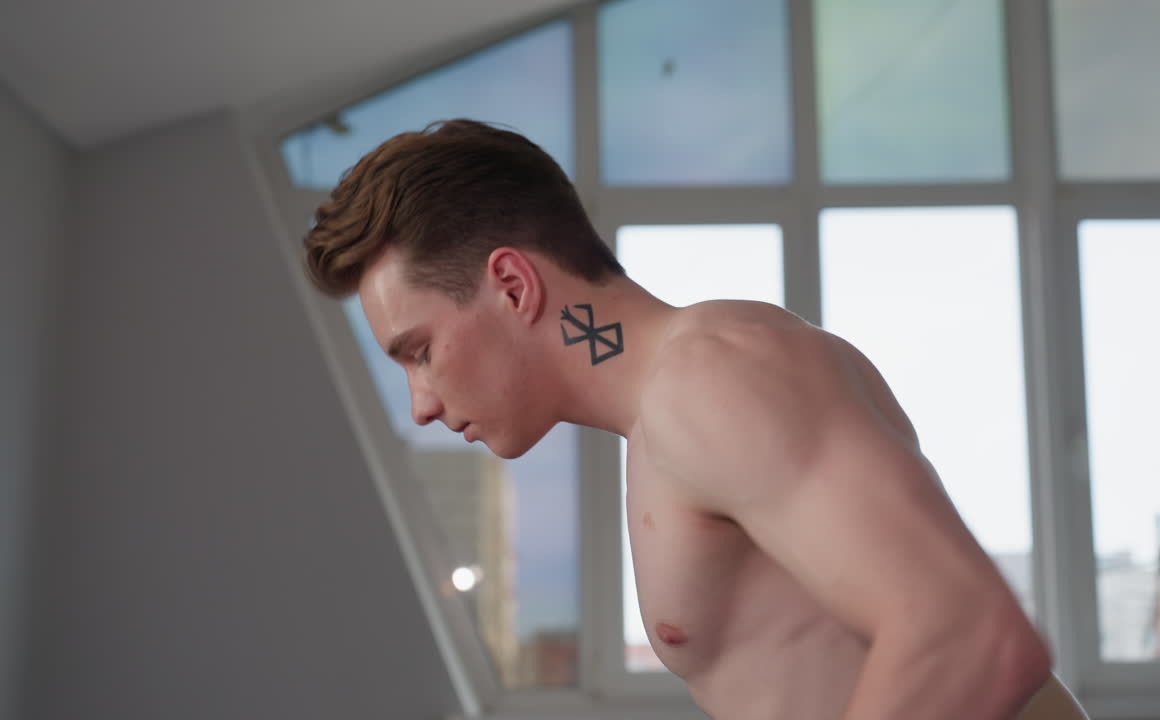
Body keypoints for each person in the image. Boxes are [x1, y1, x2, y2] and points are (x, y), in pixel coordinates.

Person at [301, 119, 1090, 719]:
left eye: (419, 350)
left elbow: (971, 635)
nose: (423, 403)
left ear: (512, 285)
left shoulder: (711, 378)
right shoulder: (669, 412)